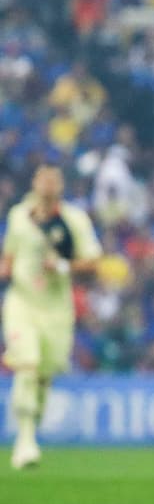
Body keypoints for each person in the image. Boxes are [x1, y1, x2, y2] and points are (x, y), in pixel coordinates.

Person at [1, 165, 102, 469]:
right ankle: (25, 441)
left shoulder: (74, 221)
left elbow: (93, 265)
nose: (46, 183)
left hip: (57, 309)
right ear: (33, 182)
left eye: (53, 179)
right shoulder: (20, 216)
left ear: (61, 185)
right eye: (41, 177)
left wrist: (61, 267)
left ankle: (32, 429)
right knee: (26, 365)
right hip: (22, 302)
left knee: (44, 375)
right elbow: (9, 256)